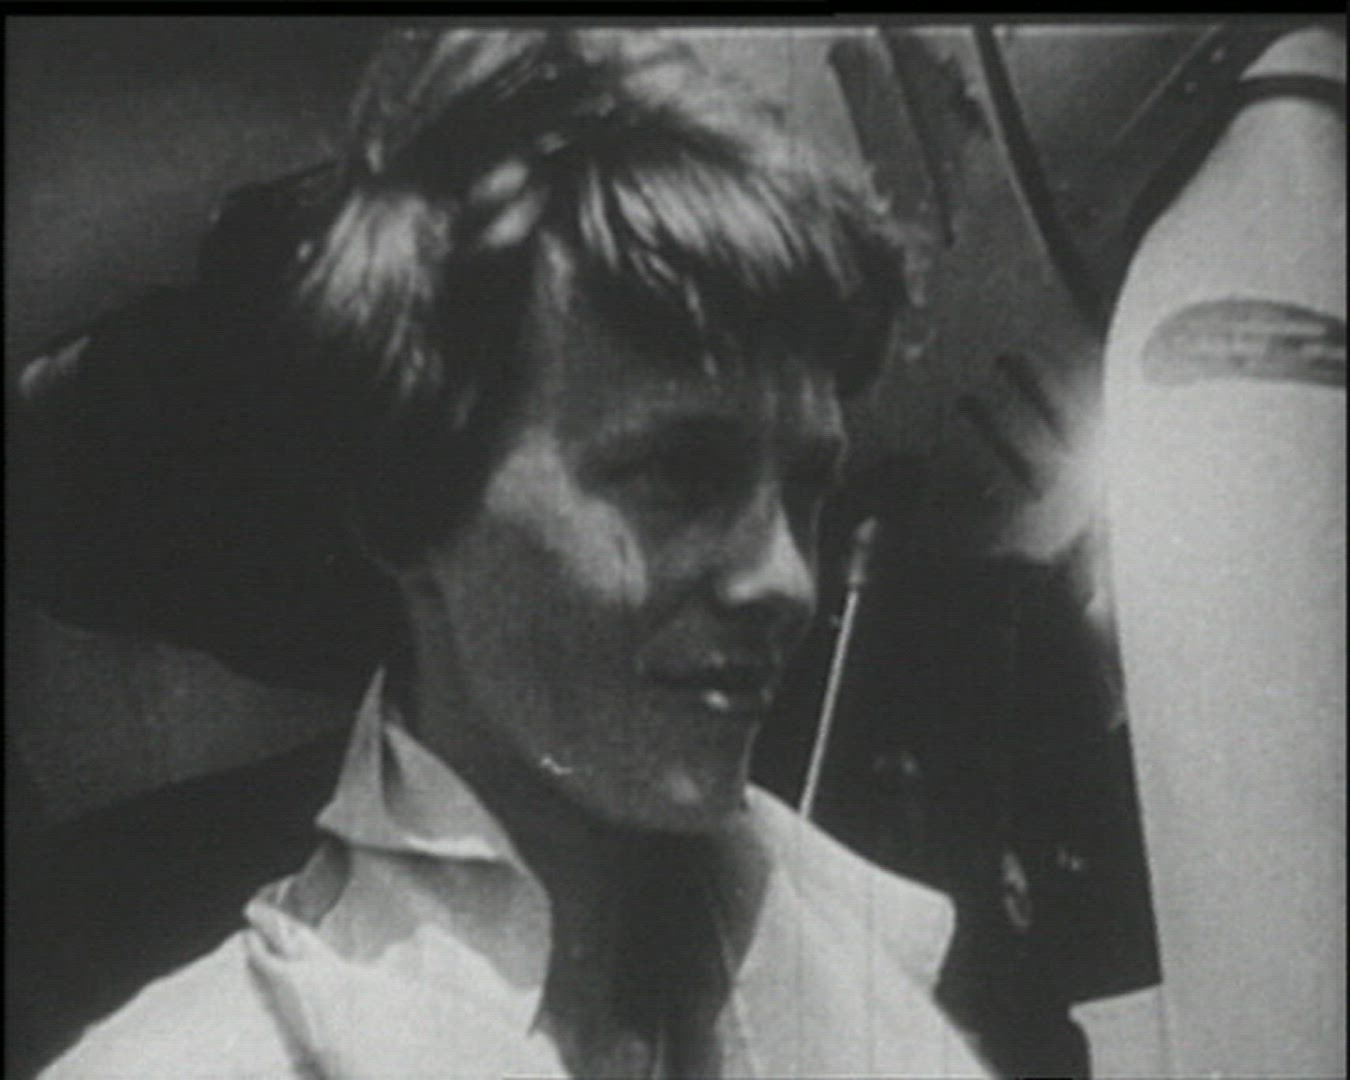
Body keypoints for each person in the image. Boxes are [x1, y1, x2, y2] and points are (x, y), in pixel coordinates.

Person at [25, 28, 989, 1078]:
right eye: (677, 476)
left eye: (805, 488)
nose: (785, 580)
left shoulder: (887, 1024)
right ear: (408, 507)